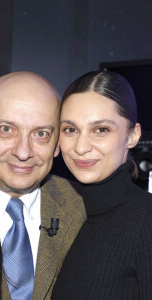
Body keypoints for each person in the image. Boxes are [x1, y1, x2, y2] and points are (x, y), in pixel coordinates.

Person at [0, 71, 86, 299]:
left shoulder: (83, 210)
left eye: (41, 134)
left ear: (57, 144)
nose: (23, 152)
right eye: (6, 129)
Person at [51, 71, 152, 299]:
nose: (81, 146)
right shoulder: (59, 213)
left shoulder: (146, 219)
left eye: (101, 130)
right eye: (70, 129)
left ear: (133, 135)